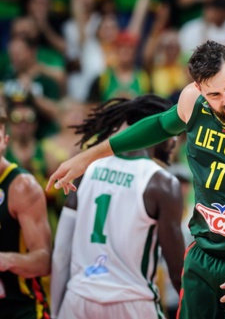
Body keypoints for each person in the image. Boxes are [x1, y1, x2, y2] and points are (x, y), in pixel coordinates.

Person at [48, 40, 225, 318]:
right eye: (215, 95)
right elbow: (159, 125)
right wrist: (87, 157)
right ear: (199, 90)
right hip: (203, 255)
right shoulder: (192, 102)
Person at [50, 95, 185, 319]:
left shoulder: (86, 169)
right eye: (173, 133)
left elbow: (61, 252)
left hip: (79, 298)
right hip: (132, 303)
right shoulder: (162, 183)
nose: (174, 142)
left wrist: (57, 312)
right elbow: (178, 272)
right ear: (156, 129)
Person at [0, 106, 52, 318]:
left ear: (5, 141)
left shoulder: (22, 187)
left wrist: (5, 260)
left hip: (21, 307)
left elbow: (44, 261)